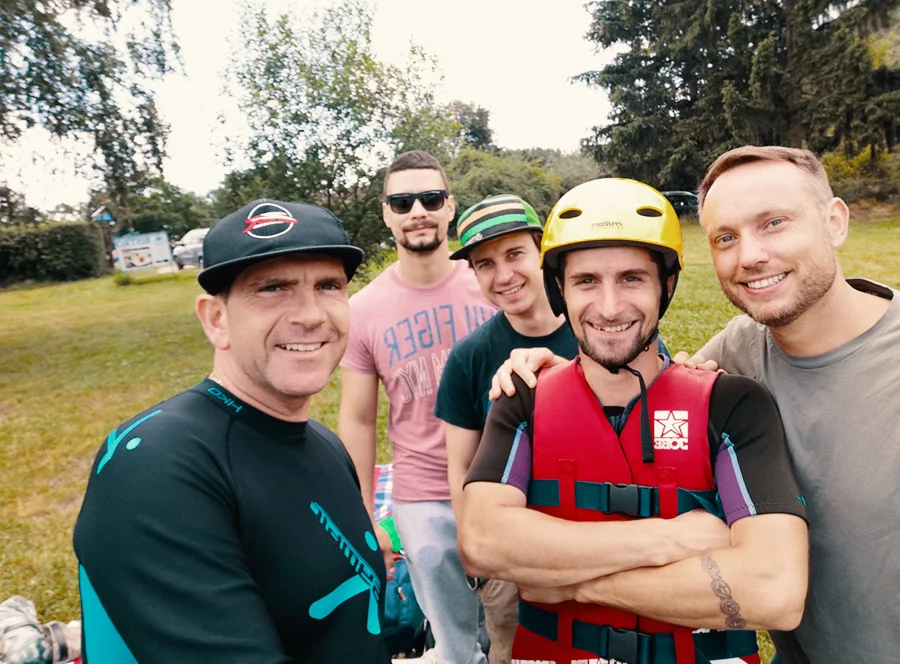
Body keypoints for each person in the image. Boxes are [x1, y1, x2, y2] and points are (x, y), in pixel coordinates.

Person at [458, 178, 809, 664]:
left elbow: (774, 592)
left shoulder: (733, 403)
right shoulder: (524, 397)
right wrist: (673, 538)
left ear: (665, 286)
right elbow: (482, 541)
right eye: (586, 281)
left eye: (631, 278)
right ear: (559, 289)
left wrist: (568, 582)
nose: (608, 307)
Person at [74, 200, 391, 664]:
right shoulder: (154, 465)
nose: (311, 315)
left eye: (329, 285)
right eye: (273, 288)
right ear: (215, 319)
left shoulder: (325, 445)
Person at [682, 146, 900, 664]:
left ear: (835, 222)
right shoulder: (736, 352)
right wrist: (543, 368)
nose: (750, 256)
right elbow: (634, 401)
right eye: (725, 238)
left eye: (774, 222)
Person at [434, 193, 672, 664]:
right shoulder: (469, 357)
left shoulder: (611, 326)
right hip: (516, 555)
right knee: (514, 645)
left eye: (515, 255)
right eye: (484, 264)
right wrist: (480, 557)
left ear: (543, 254)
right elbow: (460, 462)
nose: (503, 276)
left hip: (612, 534)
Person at [338, 151, 495, 664]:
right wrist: (362, 513)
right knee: (455, 644)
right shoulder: (362, 311)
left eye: (430, 199)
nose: (417, 211)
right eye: (402, 202)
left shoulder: (494, 285)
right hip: (422, 495)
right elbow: (357, 419)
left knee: (514, 630)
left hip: (507, 481)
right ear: (386, 213)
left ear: (450, 206)